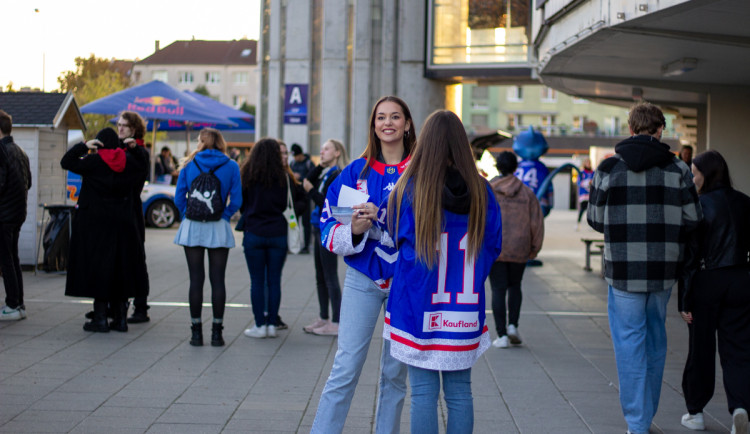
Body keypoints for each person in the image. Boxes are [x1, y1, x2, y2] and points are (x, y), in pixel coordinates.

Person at [383, 110, 503, 433]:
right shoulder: (482, 191)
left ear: (426, 144)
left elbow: (395, 240)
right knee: (460, 392)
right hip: (463, 306)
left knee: (422, 393)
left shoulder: (409, 189)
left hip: (416, 306)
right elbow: (493, 246)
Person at [587, 101, 702, 434]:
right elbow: (694, 219)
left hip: (622, 271)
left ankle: (637, 423)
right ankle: (643, 417)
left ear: (630, 128)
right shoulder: (678, 169)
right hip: (663, 271)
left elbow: (596, 220)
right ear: (660, 130)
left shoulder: (608, 169)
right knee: (655, 341)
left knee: (628, 344)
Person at [311, 96, 415, 434]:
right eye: (381, 117)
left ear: (407, 124)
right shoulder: (355, 171)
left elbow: (435, 225)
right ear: (373, 125)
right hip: (362, 277)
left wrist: (386, 221)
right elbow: (327, 224)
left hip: (405, 282)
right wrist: (354, 230)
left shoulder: (421, 171)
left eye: (395, 117)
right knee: (346, 366)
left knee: (395, 374)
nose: (388, 123)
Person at [678, 150, 750, 434]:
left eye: (695, 173)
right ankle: (741, 409)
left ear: (707, 174)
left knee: (701, 349)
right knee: (740, 348)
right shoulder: (745, 203)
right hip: (741, 278)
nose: (693, 178)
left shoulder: (698, 205)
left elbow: (690, 256)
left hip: (707, 281)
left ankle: (695, 412)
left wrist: (684, 298)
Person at [61, 128, 149, 332]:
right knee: (121, 269)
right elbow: (143, 167)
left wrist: (83, 146)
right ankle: (121, 319)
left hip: (95, 224)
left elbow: (66, 162)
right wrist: (134, 150)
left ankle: (100, 318)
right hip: (123, 224)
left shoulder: (92, 163)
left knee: (99, 268)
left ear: (98, 144)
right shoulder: (129, 162)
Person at [174, 128, 242, 346]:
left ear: (201, 142)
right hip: (218, 227)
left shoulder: (189, 163)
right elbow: (238, 200)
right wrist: (224, 215)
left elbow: (178, 197)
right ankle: (217, 333)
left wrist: (188, 214)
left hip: (192, 226)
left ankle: (195, 333)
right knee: (218, 280)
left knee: (196, 280)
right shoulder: (231, 165)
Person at [239, 138, 303, 339]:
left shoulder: (247, 175)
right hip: (278, 233)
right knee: (274, 280)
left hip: (254, 232)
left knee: (257, 281)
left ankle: (260, 324)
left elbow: (242, 204)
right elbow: (294, 202)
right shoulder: (284, 177)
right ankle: (272, 323)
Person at [488, 151, 544, 348]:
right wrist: (534, 248)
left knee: (497, 289)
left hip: (496, 248)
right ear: (515, 168)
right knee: (515, 286)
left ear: (497, 167)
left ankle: (501, 335)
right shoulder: (527, 193)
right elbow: (537, 222)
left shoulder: (489, 191)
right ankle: (513, 325)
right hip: (520, 247)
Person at [302, 139, 349, 336]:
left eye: (327, 149)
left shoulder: (337, 175)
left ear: (337, 152)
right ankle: (324, 317)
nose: (322, 152)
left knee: (329, 276)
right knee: (320, 275)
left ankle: (336, 321)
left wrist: (310, 191)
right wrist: (318, 167)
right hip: (318, 228)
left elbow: (327, 204)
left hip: (328, 229)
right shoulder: (326, 172)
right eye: (321, 149)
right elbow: (306, 181)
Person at [117, 111, 151, 324]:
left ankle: (140, 307)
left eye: (125, 125)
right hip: (120, 210)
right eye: (119, 124)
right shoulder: (119, 148)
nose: (120, 128)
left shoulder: (140, 151)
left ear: (134, 129)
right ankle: (118, 305)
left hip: (131, 210)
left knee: (137, 260)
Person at [0, 110, 32, 321]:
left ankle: (12, 304)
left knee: (6, 260)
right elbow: (27, 182)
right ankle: (18, 303)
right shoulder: (20, 151)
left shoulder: (2, 151)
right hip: (17, 213)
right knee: (13, 258)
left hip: (3, 215)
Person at [290, 143, 315, 254]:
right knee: (293, 222)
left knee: (306, 223)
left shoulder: (309, 163)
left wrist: (301, 177)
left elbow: (314, 177)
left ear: (301, 154)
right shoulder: (292, 163)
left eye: (297, 156)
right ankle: (293, 244)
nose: (296, 158)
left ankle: (306, 246)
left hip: (306, 196)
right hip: (295, 197)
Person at [576, 158, 594, 230]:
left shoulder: (593, 172)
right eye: (587, 163)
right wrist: (587, 182)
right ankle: (578, 224)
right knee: (582, 209)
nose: (588, 164)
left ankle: (591, 225)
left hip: (591, 194)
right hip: (583, 195)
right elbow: (579, 183)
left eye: (589, 163)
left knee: (590, 211)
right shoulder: (582, 173)